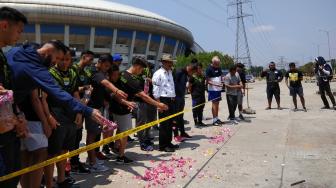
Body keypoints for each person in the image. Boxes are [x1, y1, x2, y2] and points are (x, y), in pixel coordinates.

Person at [110, 57, 167, 163]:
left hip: (116, 106)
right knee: (125, 132)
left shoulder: (122, 74)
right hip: (123, 109)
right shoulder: (131, 79)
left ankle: (116, 147)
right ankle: (121, 157)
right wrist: (158, 104)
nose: (141, 72)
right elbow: (143, 96)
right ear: (136, 66)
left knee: (120, 129)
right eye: (141, 69)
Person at [44, 47, 83, 188]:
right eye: (61, 59)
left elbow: (76, 94)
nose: (64, 62)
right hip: (56, 117)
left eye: (67, 59)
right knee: (52, 153)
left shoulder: (73, 72)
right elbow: (44, 99)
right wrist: (48, 117)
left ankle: (61, 180)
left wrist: (79, 112)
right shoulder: (49, 73)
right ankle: (49, 183)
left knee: (64, 151)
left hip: (71, 118)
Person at [0, 7, 28, 188]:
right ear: (4, 25)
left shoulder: (2, 56)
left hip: (8, 129)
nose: (19, 36)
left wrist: (18, 116)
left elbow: (7, 92)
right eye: (18, 31)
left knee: (12, 174)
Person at [85, 54, 127, 172]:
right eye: (106, 66)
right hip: (92, 109)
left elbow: (104, 90)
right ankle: (92, 163)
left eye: (109, 67)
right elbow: (105, 83)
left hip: (99, 108)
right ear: (100, 62)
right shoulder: (94, 72)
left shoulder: (101, 72)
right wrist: (117, 90)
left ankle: (92, 159)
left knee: (95, 135)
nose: (107, 68)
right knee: (91, 136)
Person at [70, 50, 94, 174]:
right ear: (83, 57)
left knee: (78, 136)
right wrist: (85, 88)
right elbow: (72, 88)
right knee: (72, 137)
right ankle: (72, 163)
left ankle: (75, 160)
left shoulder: (85, 72)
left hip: (82, 105)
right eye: (90, 59)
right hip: (72, 106)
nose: (91, 62)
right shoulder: (73, 69)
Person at [152, 54, 179, 152]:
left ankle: (168, 142)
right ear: (163, 62)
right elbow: (156, 89)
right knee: (164, 124)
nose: (171, 64)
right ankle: (163, 145)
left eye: (171, 62)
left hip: (171, 99)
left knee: (170, 123)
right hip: (163, 100)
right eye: (169, 62)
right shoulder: (158, 73)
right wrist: (158, 104)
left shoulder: (170, 72)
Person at [135, 62, 157, 151]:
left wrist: (151, 81)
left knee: (150, 120)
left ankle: (147, 137)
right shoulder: (136, 77)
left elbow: (157, 84)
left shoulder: (150, 75)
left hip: (151, 100)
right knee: (141, 122)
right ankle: (142, 142)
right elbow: (134, 91)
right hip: (141, 102)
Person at [172, 61, 197, 142]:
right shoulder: (179, 72)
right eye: (192, 72)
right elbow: (174, 84)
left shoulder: (186, 74)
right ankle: (176, 135)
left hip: (181, 97)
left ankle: (182, 132)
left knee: (180, 116)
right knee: (175, 117)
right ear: (190, 69)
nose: (192, 74)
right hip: (176, 97)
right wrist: (174, 96)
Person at [206, 56, 223, 126]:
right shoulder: (209, 69)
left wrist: (222, 80)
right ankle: (214, 120)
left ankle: (216, 118)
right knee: (214, 104)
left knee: (217, 104)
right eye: (217, 64)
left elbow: (221, 76)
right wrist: (216, 84)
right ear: (213, 63)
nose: (218, 65)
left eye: (219, 64)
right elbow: (208, 81)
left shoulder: (218, 68)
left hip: (218, 89)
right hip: (213, 90)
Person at [188, 63, 206, 127]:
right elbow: (189, 86)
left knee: (201, 109)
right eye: (198, 68)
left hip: (202, 96)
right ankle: (196, 123)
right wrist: (192, 94)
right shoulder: (192, 77)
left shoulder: (203, 77)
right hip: (195, 97)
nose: (199, 70)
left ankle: (200, 121)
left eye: (200, 68)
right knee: (195, 109)